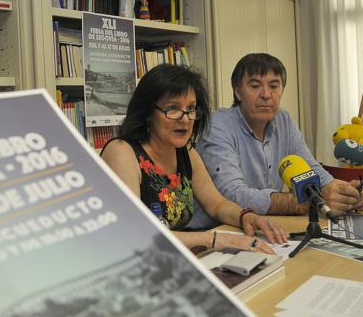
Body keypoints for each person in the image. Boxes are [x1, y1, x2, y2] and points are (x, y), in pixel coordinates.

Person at [101, 64, 286, 254]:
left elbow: (216, 204)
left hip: (169, 258)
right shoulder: (122, 152)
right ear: (148, 112)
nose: (185, 118)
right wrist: (214, 239)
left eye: (190, 108)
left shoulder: (185, 151)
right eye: (172, 108)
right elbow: (135, 232)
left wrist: (247, 217)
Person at [192, 53, 362, 228]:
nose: (266, 94)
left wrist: (343, 193)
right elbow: (232, 195)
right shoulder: (217, 125)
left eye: (274, 86)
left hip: (263, 226)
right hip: (214, 231)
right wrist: (312, 202)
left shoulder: (284, 120)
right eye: (255, 86)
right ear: (238, 91)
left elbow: (312, 169)